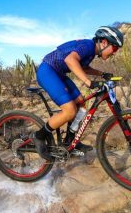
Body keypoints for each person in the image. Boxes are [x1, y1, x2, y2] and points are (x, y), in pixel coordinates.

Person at [32, 26, 124, 161]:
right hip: (48, 70)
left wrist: (102, 74)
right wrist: (88, 82)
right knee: (70, 111)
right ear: (104, 42)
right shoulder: (87, 45)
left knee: (81, 104)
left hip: (58, 73)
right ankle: (38, 136)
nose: (114, 52)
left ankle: (70, 140)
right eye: (114, 48)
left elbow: (84, 67)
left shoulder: (91, 52)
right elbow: (70, 60)